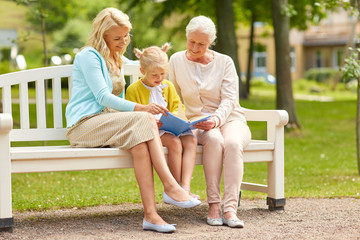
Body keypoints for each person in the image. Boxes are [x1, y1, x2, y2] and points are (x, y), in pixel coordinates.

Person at [65, 8, 201, 233]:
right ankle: (171, 187)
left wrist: (155, 56)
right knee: (145, 118)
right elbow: (102, 97)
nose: (123, 41)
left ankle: (151, 216)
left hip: (110, 123)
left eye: (126, 36)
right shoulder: (88, 56)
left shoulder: (116, 57)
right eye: (117, 38)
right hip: (84, 125)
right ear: (102, 36)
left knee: (140, 147)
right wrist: (142, 108)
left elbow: (148, 63)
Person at [169, 16, 251, 228]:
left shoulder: (224, 62)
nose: (195, 48)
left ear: (210, 43)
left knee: (232, 144)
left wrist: (216, 119)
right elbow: (173, 96)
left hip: (231, 118)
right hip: (198, 123)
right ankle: (214, 204)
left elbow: (230, 100)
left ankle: (230, 208)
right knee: (214, 140)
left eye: (201, 44)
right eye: (191, 42)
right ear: (187, 37)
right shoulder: (176, 60)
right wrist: (181, 121)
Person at [125, 43, 199, 199]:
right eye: (154, 75)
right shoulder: (133, 90)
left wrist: (175, 118)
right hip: (151, 130)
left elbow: (178, 108)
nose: (159, 78)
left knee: (191, 139)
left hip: (171, 126)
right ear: (142, 71)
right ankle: (174, 188)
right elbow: (131, 114)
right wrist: (152, 120)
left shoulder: (168, 86)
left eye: (162, 74)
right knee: (174, 142)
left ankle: (185, 187)